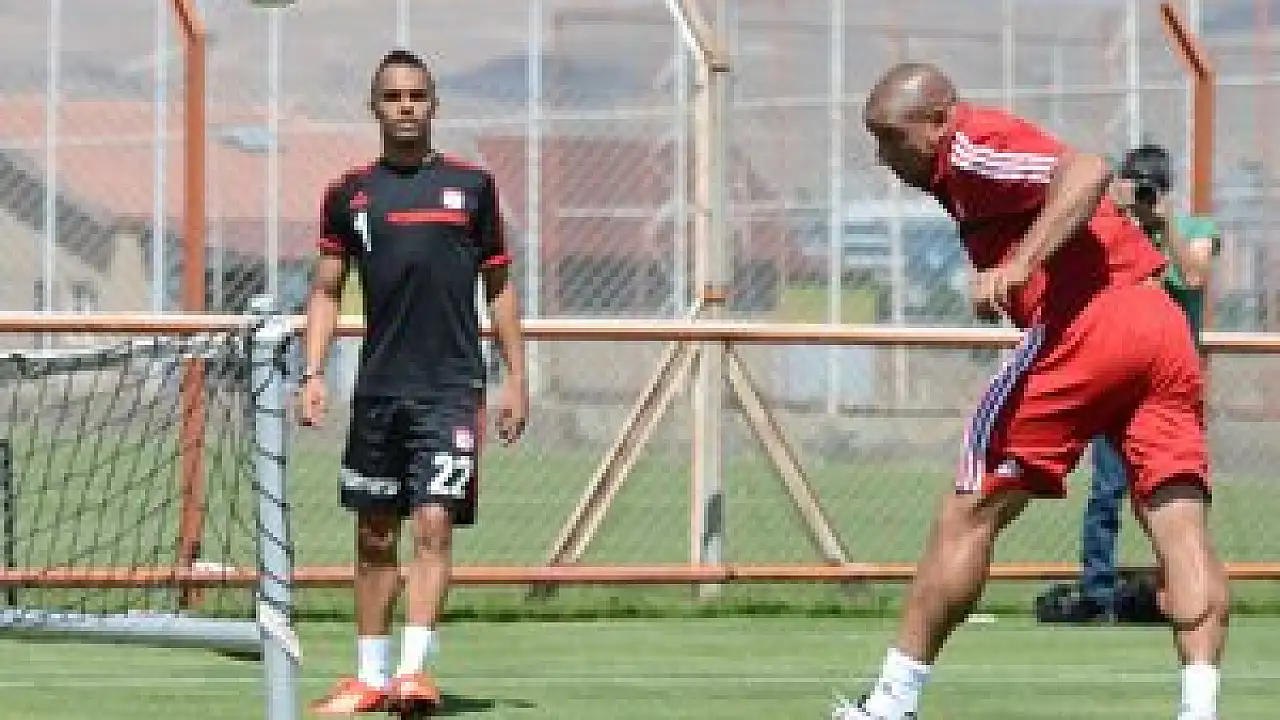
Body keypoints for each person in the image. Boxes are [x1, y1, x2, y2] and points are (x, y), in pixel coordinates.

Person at [833, 62, 1228, 720]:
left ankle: (891, 704)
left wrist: (1019, 264)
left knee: (969, 512)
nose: (883, 157)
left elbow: (1088, 171)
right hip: (1160, 328)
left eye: (891, 138)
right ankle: (1200, 707)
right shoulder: (956, 168)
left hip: (1089, 325)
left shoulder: (970, 146)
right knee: (1180, 527)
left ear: (937, 121)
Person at [299, 49, 528, 714]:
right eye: (393, 96)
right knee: (374, 535)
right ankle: (369, 678)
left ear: (434, 105)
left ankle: (411, 674)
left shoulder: (473, 188)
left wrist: (517, 376)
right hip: (378, 391)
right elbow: (325, 290)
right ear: (374, 107)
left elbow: (500, 286)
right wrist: (313, 372)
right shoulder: (348, 194)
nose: (406, 106)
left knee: (433, 524)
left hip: (451, 389)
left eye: (417, 96)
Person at [1065, 144, 1221, 622]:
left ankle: (1182, 589)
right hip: (1119, 376)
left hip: (1171, 386)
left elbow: (1192, 277)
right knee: (1106, 491)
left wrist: (1166, 223)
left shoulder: (1196, 230)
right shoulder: (1117, 233)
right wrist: (1120, 216)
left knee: (1175, 494)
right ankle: (1097, 592)